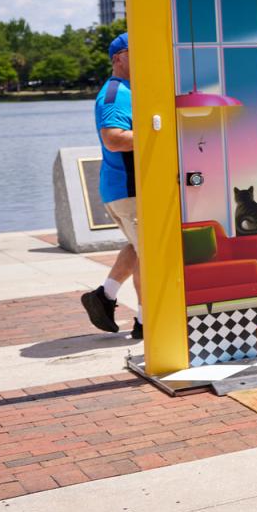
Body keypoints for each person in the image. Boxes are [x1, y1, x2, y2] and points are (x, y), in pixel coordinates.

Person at [81, 33, 142, 339]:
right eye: (136, 52)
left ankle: (104, 296)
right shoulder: (116, 92)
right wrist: (162, 134)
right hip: (128, 189)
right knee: (151, 254)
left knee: (139, 247)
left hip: (128, 189)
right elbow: (113, 138)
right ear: (119, 58)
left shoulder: (131, 89)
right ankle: (148, 322)